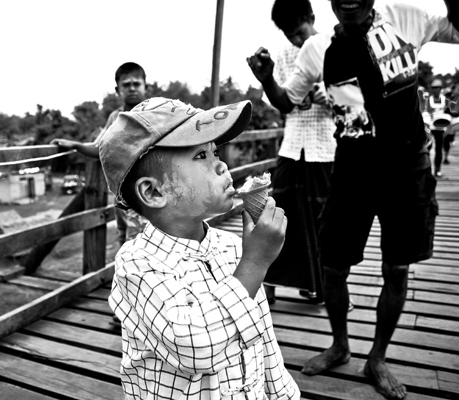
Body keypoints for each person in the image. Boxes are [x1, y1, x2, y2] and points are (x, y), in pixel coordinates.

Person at [247, 0, 459, 398]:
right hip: (351, 170)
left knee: (397, 267)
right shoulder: (317, 49)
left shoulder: (406, 18)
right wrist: (267, 80)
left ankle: (378, 357)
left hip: (408, 168)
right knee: (333, 266)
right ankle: (339, 344)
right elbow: (288, 101)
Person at [99, 97, 299, 399]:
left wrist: (285, 395)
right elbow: (196, 348)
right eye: (200, 155)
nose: (221, 164)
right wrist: (256, 263)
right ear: (153, 192)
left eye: (214, 151)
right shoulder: (136, 265)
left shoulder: (234, 248)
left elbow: (264, 341)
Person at [254, 0, 337, 305]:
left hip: (325, 147)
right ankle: (270, 285)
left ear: (312, 18)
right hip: (292, 146)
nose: (297, 41)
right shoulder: (285, 54)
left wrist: (327, 97)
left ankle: (322, 287)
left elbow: (355, 99)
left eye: (300, 32)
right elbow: (280, 100)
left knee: (323, 220)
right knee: (279, 214)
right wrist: (269, 81)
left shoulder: (335, 47)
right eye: (290, 35)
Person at [52, 62, 149, 246]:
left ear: (146, 86)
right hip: (122, 193)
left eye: (136, 84)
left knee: (142, 247)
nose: (132, 88)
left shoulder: (155, 113)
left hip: (147, 192)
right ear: (118, 89)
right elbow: (101, 148)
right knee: (124, 242)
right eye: (126, 85)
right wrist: (76, 145)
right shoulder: (116, 117)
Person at [425, 78, 449, 177]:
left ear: (440, 89)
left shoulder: (445, 100)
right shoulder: (427, 100)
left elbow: (449, 114)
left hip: (441, 128)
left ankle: (437, 170)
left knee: (439, 150)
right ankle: (427, 170)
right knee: (428, 149)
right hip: (430, 128)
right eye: (433, 88)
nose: (435, 90)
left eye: (437, 88)